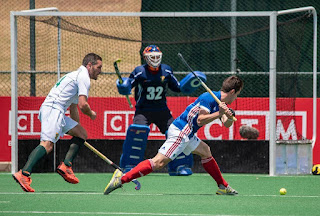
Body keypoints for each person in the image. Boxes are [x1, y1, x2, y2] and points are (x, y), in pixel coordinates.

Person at [105, 75, 243, 195]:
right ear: (232, 91)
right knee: (158, 162)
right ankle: (122, 178)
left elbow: (226, 124)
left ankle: (223, 186)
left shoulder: (222, 104)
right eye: (237, 94)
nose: (236, 97)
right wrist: (220, 113)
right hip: (181, 132)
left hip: (188, 133)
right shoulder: (209, 97)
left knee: (205, 151)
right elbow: (200, 120)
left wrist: (229, 116)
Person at [12, 53, 102, 192]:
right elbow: (83, 105)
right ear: (89, 65)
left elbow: (74, 108)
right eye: (99, 67)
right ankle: (24, 174)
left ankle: (66, 166)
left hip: (55, 110)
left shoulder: (75, 75)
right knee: (47, 145)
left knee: (82, 133)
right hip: (53, 109)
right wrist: (92, 114)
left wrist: (75, 130)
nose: (100, 71)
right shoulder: (83, 77)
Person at [116, 45, 206, 176]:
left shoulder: (166, 71)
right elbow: (129, 85)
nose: (155, 59)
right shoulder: (139, 71)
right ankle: (129, 166)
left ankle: (180, 166)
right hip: (143, 110)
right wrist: (123, 85)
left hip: (162, 110)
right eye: (152, 57)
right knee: (137, 133)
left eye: (157, 56)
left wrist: (189, 83)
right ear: (145, 58)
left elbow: (177, 87)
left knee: (179, 134)